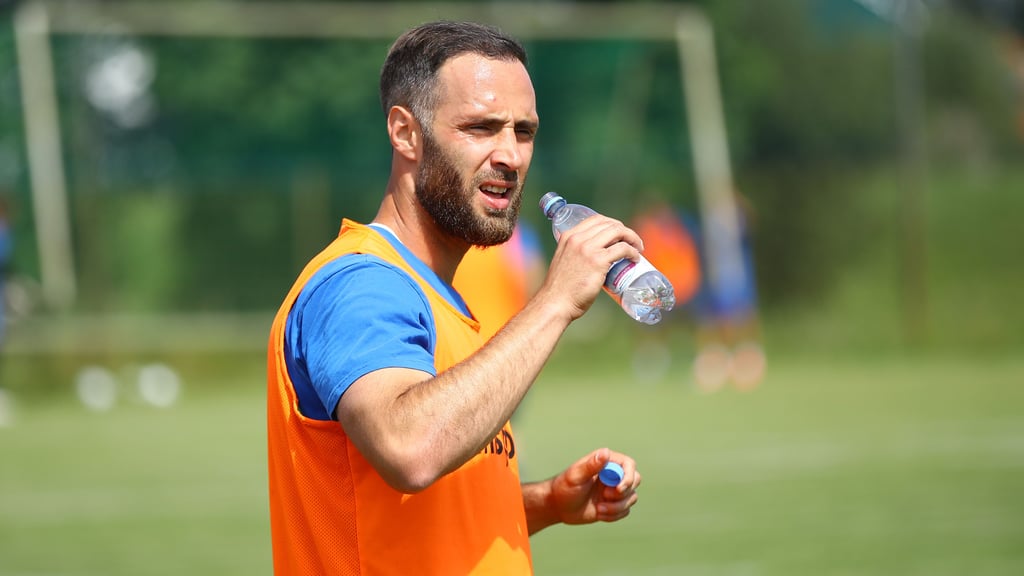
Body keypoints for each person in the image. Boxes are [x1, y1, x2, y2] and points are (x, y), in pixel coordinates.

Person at [267, 21, 643, 575]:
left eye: (523, 131)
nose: (510, 155)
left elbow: (413, 516)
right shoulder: (360, 283)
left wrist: (544, 503)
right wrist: (555, 300)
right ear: (405, 133)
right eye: (481, 127)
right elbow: (410, 448)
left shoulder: (441, 293)